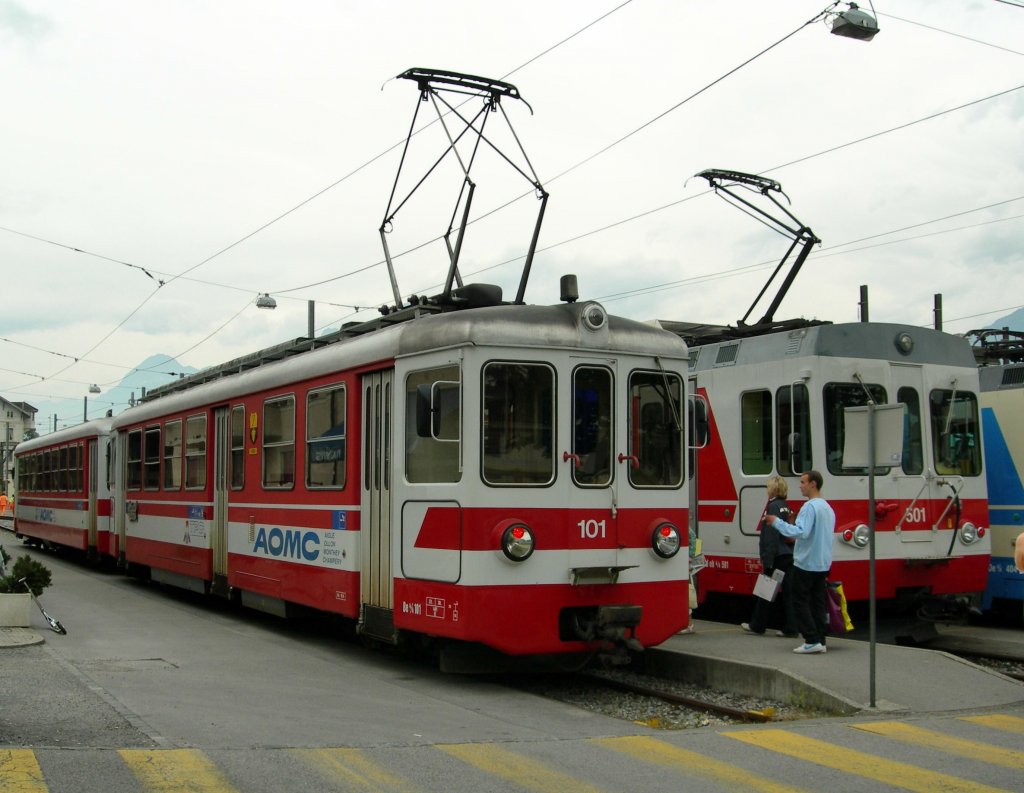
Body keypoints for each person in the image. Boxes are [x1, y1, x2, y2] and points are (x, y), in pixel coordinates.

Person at [765, 470, 835, 655]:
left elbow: (800, 532)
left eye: (803, 482)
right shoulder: (827, 508)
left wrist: (776, 522)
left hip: (806, 562)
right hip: (823, 563)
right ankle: (821, 639)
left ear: (813, 484)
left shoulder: (809, 507)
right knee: (818, 603)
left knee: (800, 601)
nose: (800, 485)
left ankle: (811, 639)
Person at [741, 475, 798, 637]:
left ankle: (757, 625)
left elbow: (771, 535)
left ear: (773, 489)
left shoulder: (772, 506)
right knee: (789, 593)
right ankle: (792, 627)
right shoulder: (786, 507)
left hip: (777, 556)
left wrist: (768, 559)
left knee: (765, 592)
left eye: (768, 487)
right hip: (788, 554)